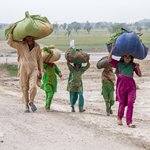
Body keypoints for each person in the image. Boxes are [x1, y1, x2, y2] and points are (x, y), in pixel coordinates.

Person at [7, 33, 43, 113]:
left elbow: (40, 59)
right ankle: (26, 105)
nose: (29, 38)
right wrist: (11, 33)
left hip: (34, 69)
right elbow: (10, 43)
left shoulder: (37, 46)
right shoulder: (20, 45)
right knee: (24, 87)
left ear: (33, 37)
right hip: (23, 69)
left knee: (33, 87)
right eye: (27, 36)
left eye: (30, 36)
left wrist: (41, 70)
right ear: (25, 37)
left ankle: (31, 102)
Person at [108, 50, 142, 128]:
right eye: (125, 56)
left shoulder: (133, 65)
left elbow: (140, 75)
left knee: (130, 102)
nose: (127, 58)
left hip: (131, 86)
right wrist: (112, 49)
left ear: (131, 58)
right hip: (121, 86)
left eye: (129, 57)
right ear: (123, 57)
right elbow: (109, 59)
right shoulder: (118, 64)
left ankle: (129, 122)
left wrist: (138, 68)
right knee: (122, 103)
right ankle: (119, 118)